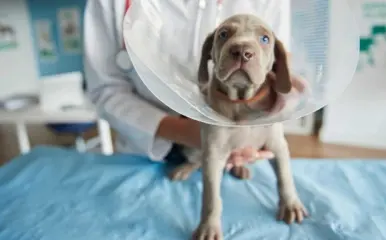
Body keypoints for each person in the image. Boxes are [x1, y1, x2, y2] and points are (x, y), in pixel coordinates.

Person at [83, 0, 289, 169]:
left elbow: (275, 70)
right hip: (145, 154)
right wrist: (185, 132)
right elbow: (105, 90)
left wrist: (272, 107)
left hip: (235, 152)